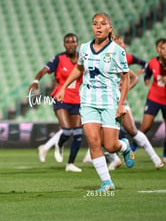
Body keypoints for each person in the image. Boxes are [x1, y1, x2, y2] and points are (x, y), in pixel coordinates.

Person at [55, 13, 134, 192]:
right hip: (89, 101)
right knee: (93, 142)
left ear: (110, 28)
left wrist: (121, 104)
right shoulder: (84, 48)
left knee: (110, 145)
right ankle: (107, 182)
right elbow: (79, 68)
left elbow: (126, 78)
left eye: (103, 24)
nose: (98, 27)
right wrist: (63, 87)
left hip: (110, 102)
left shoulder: (117, 51)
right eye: (95, 24)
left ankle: (125, 146)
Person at [101, 35, 163, 170]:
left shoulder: (118, 59)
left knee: (132, 130)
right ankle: (115, 159)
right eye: (121, 42)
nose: (124, 45)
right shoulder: (104, 57)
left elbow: (133, 78)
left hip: (117, 100)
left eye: (123, 42)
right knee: (98, 135)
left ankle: (155, 159)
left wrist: (124, 90)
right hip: (101, 100)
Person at [28, 33, 83, 172]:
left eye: (73, 41)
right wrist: (36, 81)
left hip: (76, 99)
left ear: (77, 44)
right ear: (64, 44)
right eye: (67, 42)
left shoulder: (82, 60)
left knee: (78, 133)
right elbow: (43, 71)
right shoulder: (59, 59)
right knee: (66, 130)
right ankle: (59, 144)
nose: (70, 44)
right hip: (60, 97)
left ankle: (70, 164)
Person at [136, 38, 166, 163]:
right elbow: (148, 72)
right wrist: (146, 78)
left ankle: (165, 155)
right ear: (158, 50)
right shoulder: (152, 62)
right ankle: (132, 149)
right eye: (163, 48)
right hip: (154, 98)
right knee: (145, 127)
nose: (164, 51)